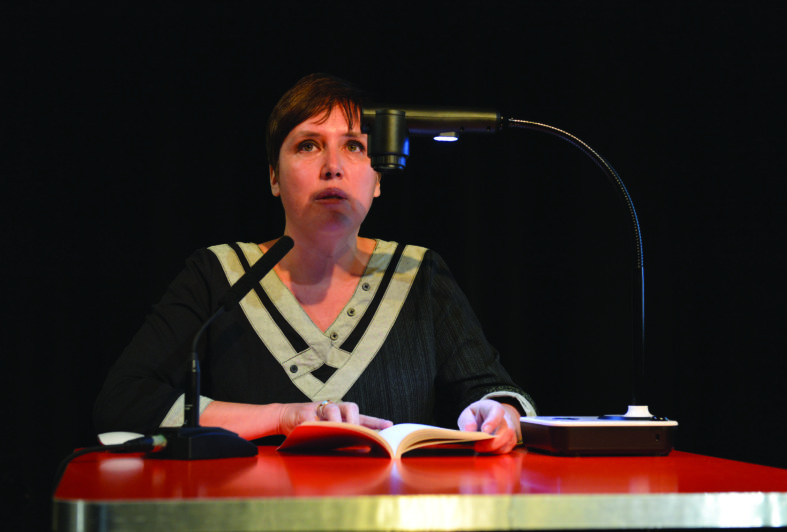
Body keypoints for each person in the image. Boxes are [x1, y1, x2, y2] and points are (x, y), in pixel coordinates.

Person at [94, 73, 535, 454]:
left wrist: (500, 413)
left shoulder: (418, 273)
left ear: (378, 179)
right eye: (308, 145)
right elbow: (125, 402)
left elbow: (493, 391)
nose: (333, 167)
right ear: (274, 176)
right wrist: (282, 417)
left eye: (354, 147)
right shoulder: (218, 275)